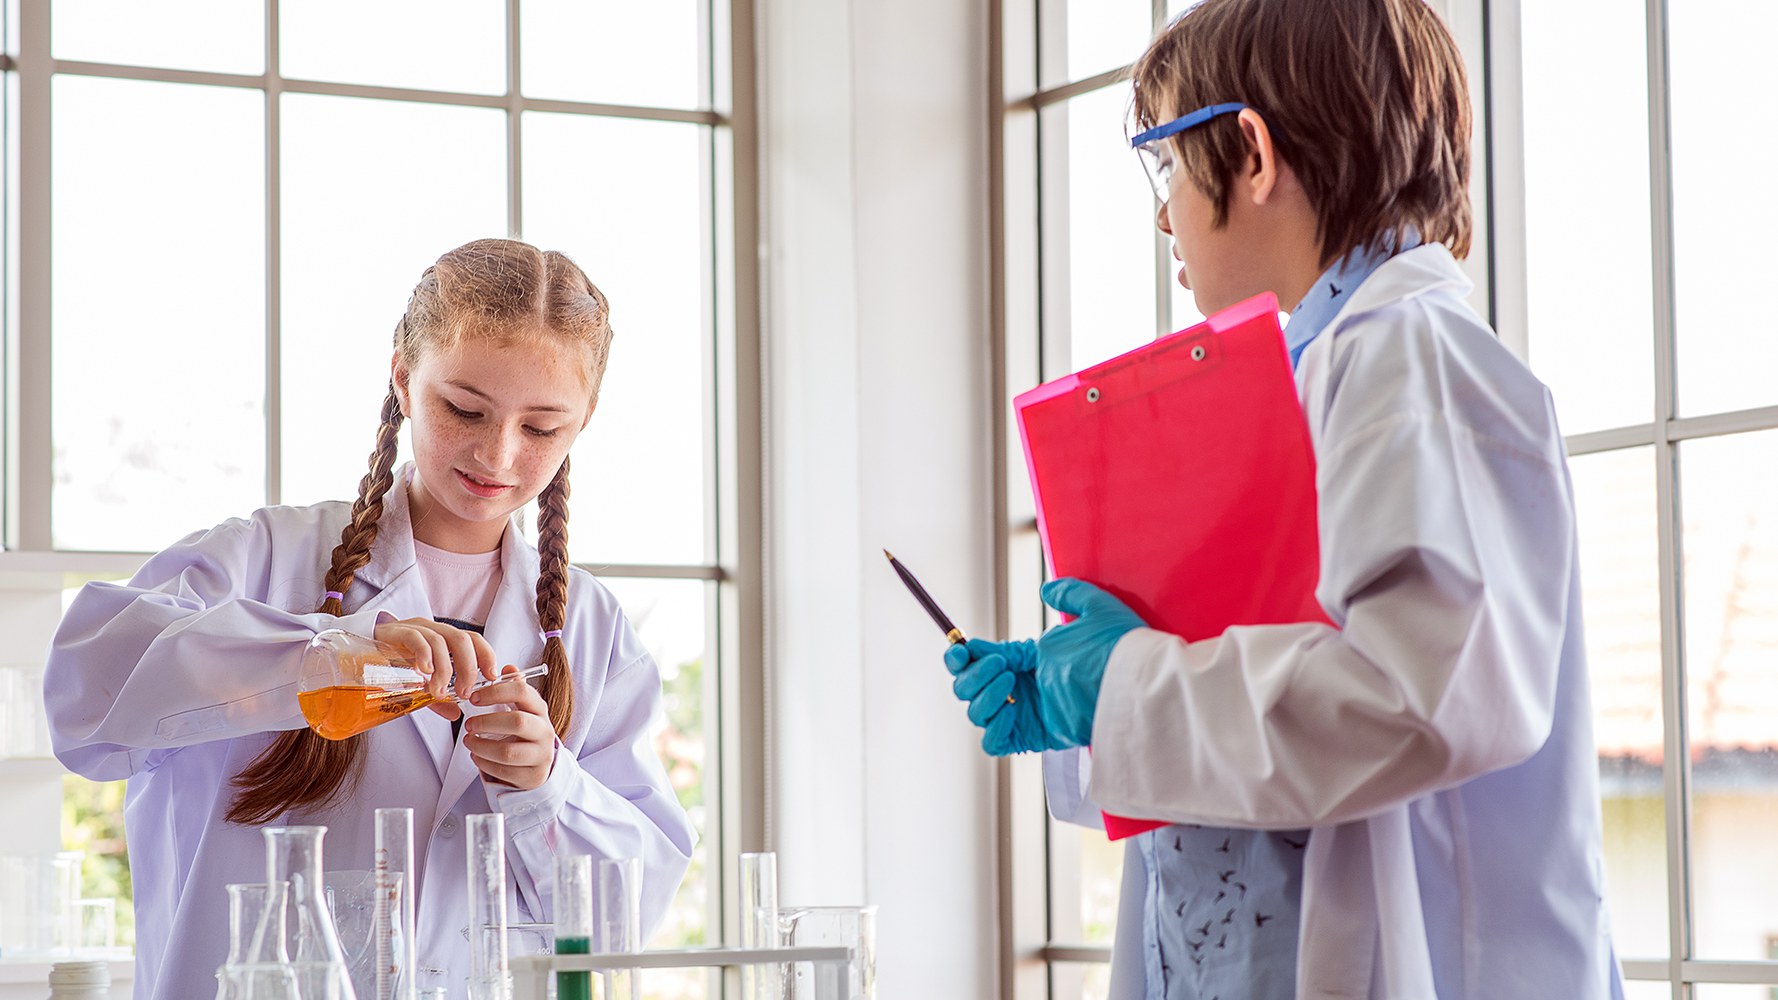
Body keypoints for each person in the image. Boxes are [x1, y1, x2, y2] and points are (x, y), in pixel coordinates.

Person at [945, 1, 1624, 997]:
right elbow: (1258, 714)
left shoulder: (1409, 358)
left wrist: (1124, 680)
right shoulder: (1306, 377)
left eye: (1166, 161)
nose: (1164, 213)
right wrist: (1078, 704)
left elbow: (1410, 702)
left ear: (1252, 154)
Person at [44, 238, 696, 999]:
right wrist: (324, 656)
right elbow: (83, 698)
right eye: (463, 408)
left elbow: (624, 914)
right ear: (402, 376)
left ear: (584, 421)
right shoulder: (268, 558)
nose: (498, 452)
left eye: (542, 428)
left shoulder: (592, 630)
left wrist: (547, 786)